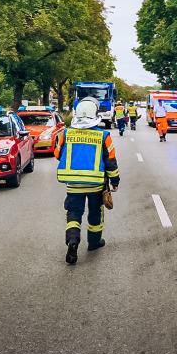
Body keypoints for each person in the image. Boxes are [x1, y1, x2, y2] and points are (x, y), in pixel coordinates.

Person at [54, 97, 120, 265]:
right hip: (96, 184)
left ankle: (73, 241)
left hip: (73, 184)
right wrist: (115, 181)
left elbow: (57, 154)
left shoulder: (67, 133)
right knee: (95, 212)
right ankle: (94, 242)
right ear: (95, 115)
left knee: (74, 213)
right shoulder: (104, 135)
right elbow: (110, 161)